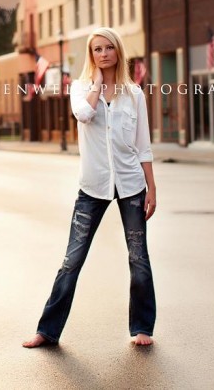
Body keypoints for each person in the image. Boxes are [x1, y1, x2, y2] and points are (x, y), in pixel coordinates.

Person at [23, 27, 158, 348]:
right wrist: (97, 86)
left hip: (131, 186)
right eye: (97, 49)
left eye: (109, 47)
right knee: (72, 259)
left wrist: (152, 188)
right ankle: (47, 331)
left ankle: (142, 328)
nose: (103, 54)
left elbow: (143, 146)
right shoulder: (81, 89)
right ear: (91, 54)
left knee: (138, 258)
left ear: (118, 51)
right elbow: (83, 115)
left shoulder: (134, 94)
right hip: (92, 187)